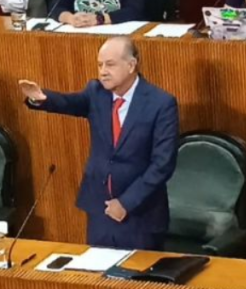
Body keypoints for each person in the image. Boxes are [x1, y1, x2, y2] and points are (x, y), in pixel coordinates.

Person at [18, 36, 178, 250]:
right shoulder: (96, 93)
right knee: (98, 277)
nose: (102, 71)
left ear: (131, 65)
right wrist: (40, 97)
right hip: (100, 210)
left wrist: (126, 203)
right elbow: (69, 102)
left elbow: (162, 164)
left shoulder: (161, 103)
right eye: (100, 64)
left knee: (137, 281)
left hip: (140, 214)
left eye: (110, 64)